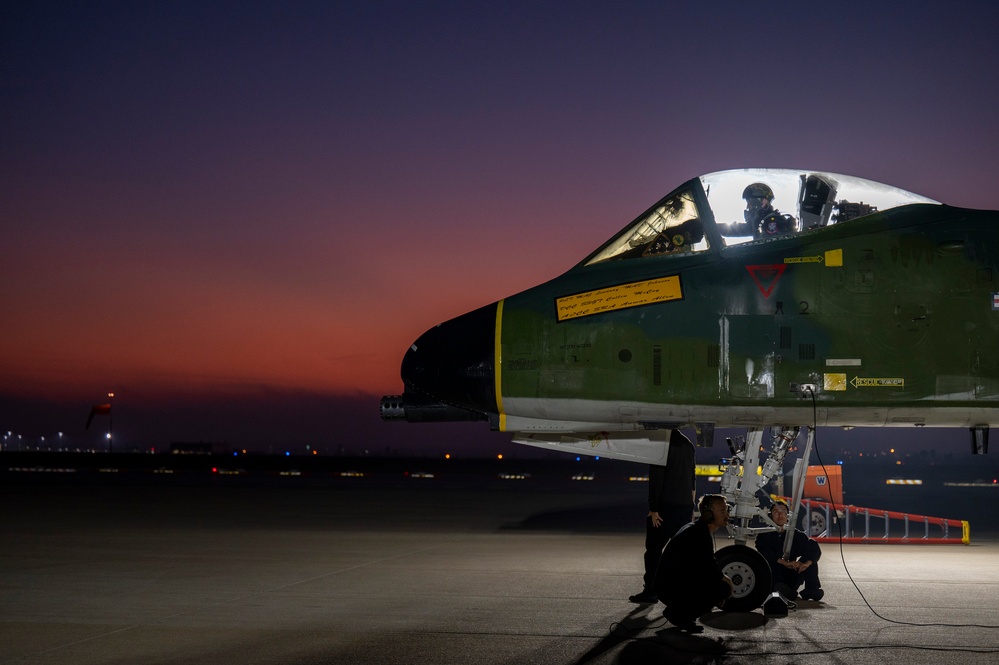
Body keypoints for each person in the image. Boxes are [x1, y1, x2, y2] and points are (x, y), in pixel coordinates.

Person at [628, 429, 696, 604]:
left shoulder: (662, 445)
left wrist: (654, 509)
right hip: (684, 505)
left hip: (666, 508)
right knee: (680, 552)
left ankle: (651, 590)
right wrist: (690, 504)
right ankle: (680, 589)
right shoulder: (687, 443)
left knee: (653, 551)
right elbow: (692, 476)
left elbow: (656, 478)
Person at [652, 494, 734, 633]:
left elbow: (703, 567)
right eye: (722, 511)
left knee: (714, 585)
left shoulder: (696, 528)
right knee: (722, 588)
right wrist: (727, 584)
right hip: (669, 588)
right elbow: (710, 569)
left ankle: (679, 612)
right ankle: (679, 615)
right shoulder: (699, 534)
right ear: (708, 513)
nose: (726, 514)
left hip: (668, 586)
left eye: (727, 510)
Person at [754, 499, 824, 601]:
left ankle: (811, 589)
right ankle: (783, 591)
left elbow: (813, 547)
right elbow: (765, 552)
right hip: (775, 574)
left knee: (810, 558)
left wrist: (804, 563)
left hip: (791, 572)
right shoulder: (764, 535)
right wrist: (784, 562)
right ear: (770, 516)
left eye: (783, 511)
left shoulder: (795, 535)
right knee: (769, 565)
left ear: (788, 516)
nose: (780, 514)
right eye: (776, 512)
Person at [721, 183, 797, 239]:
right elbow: (735, 230)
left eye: (749, 203)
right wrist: (712, 227)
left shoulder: (771, 222)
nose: (748, 207)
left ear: (761, 202)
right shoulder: (760, 221)